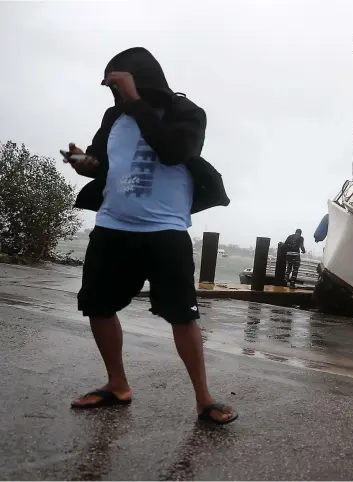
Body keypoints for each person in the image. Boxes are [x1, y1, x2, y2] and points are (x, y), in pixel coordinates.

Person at [65, 47, 237, 424]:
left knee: (182, 315)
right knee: (97, 305)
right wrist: (82, 161)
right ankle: (117, 385)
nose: (113, 93)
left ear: (139, 77)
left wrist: (136, 101)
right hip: (112, 226)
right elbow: (101, 166)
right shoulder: (114, 116)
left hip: (166, 230)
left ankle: (204, 399)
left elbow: (174, 151)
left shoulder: (185, 113)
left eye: (117, 82)